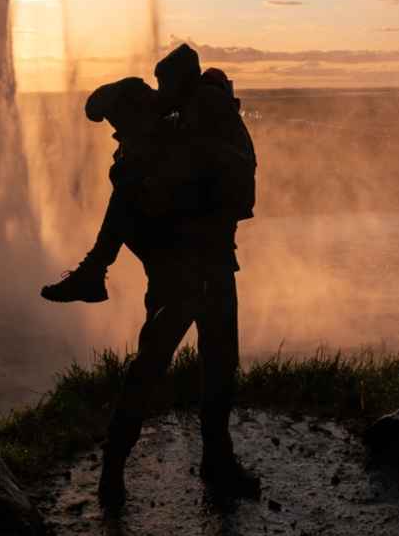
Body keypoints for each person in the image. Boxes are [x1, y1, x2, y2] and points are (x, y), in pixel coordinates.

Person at [40, 44, 261, 510]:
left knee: (168, 372)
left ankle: (126, 472)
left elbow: (152, 204)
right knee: (198, 371)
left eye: (119, 123)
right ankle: (144, 470)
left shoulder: (171, 143)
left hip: (196, 276)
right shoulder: (171, 140)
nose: (115, 134)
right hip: (204, 273)